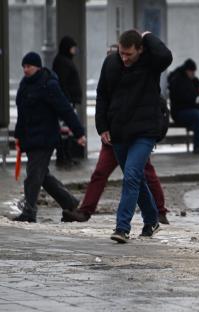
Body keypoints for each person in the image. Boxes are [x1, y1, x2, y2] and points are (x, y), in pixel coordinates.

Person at [96, 30, 172, 243]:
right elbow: (102, 95)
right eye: (122, 53)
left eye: (129, 54)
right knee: (136, 179)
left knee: (131, 175)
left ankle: (122, 227)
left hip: (145, 131)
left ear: (140, 49)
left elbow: (166, 56)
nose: (125, 58)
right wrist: (102, 126)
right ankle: (152, 220)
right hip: (118, 131)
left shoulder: (151, 63)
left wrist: (148, 36)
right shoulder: (111, 63)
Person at [13, 52, 86, 223]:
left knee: (33, 175)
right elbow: (22, 115)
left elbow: (65, 109)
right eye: (23, 66)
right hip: (30, 138)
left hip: (45, 138)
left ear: (37, 66)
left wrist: (79, 132)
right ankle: (70, 202)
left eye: (28, 66)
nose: (25, 69)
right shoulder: (24, 85)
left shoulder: (48, 84)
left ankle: (29, 212)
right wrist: (18, 136)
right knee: (41, 175)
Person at [62, 143, 170, 224]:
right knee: (100, 173)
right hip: (114, 137)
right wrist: (103, 129)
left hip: (132, 137)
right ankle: (85, 211)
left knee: (146, 173)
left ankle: (160, 211)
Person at [168, 58, 199, 154]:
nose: (193, 74)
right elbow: (184, 97)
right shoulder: (177, 80)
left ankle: (198, 130)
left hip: (193, 109)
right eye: (192, 72)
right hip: (180, 112)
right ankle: (197, 147)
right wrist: (198, 92)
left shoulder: (192, 79)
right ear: (187, 70)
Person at [53, 36, 83, 168]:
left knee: (67, 131)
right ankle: (63, 157)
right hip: (66, 102)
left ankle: (67, 156)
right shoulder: (62, 62)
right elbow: (63, 83)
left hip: (69, 101)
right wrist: (67, 100)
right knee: (64, 132)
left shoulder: (64, 60)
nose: (74, 50)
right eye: (72, 47)